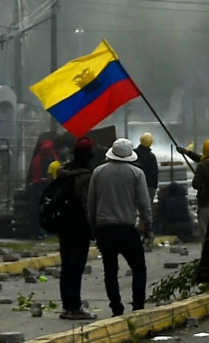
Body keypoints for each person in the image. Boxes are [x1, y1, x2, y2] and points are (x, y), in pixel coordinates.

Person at [87, 138, 153, 316]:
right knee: (139, 268)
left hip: (104, 229)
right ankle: (138, 305)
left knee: (110, 270)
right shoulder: (136, 173)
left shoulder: (98, 172)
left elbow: (91, 204)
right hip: (126, 228)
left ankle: (116, 306)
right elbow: (144, 205)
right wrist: (149, 228)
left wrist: (94, 228)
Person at [53, 137, 97, 320]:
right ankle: (75, 307)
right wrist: (93, 228)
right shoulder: (85, 177)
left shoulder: (63, 173)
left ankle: (67, 305)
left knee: (66, 265)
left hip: (64, 224)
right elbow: (87, 205)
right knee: (77, 266)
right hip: (79, 225)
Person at [29, 139, 58, 238]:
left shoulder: (36, 158)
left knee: (36, 209)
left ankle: (35, 231)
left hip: (36, 185)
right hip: (48, 185)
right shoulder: (52, 157)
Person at [134, 132, 159, 203]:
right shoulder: (151, 156)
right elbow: (154, 174)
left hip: (133, 186)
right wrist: (154, 188)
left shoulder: (133, 153)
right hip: (147, 186)